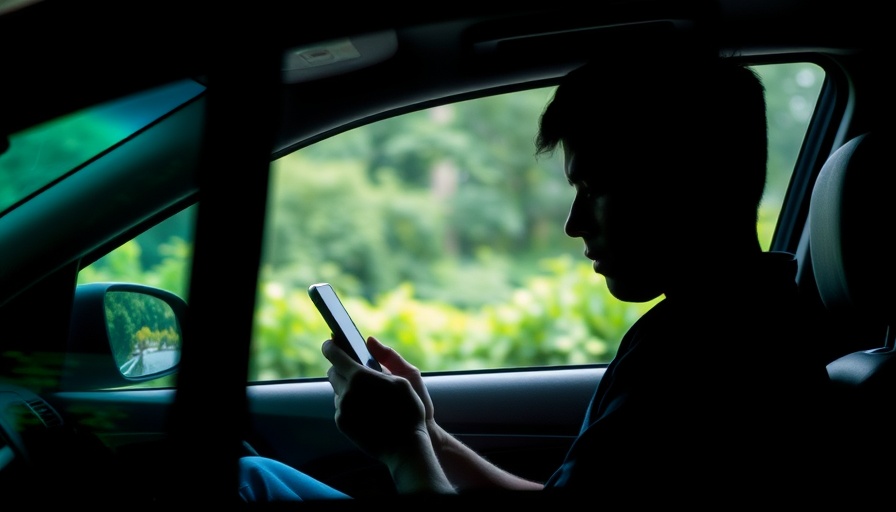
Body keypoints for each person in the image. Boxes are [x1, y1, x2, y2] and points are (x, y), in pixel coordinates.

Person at [239, 41, 833, 503]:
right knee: (258, 473)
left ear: (691, 187)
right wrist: (427, 432)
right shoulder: (741, 324)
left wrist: (402, 451)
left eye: (595, 189)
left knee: (248, 482)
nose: (575, 224)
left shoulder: (707, 360)